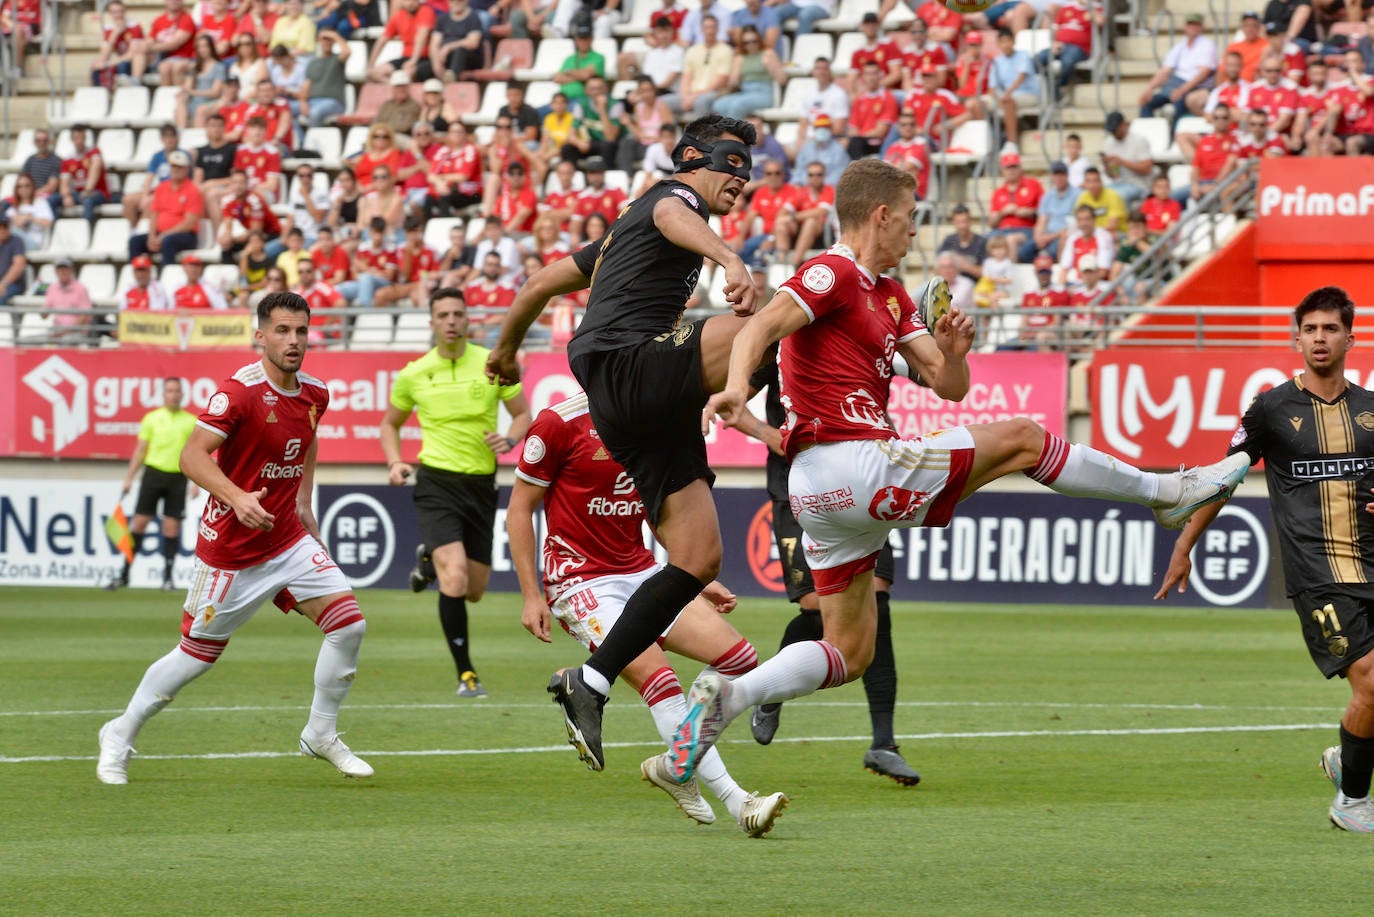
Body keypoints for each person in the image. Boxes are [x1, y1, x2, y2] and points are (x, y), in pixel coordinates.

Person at [662, 157, 1250, 785]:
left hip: (819, 493)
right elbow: (761, 328)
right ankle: (1167, 493)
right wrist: (731, 388)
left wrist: (955, 351)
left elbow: (948, 386)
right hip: (852, 462)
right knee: (1024, 437)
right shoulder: (831, 271)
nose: (916, 233)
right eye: (912, 220)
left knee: (849, 651)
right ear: (881, 217)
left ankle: (729, 698)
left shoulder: (890, 297)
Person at [484, 113, 759, 771]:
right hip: (623, 362)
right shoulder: (670, 200)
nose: (739, 184)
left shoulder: (614, 240)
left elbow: (537, 285)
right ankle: (788, 432)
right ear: (694, 157)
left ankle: (592, 680)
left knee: (699, 558)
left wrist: (504, 348)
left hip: (634, 400)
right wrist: (726, 255)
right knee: (767, 315)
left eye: (746, 179)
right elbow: (673, 209)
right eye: (731, 167)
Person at [96, 292, 372, 785]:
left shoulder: (316, 393)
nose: (293, 341)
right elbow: (192, 456)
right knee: (195, 656)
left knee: (348, 625)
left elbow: (306, 441)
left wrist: (304, 503)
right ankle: (120, 731)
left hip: (286, 537)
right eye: (282, 331)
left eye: (301, 331)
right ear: (260, 334)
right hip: (231, 551)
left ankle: (321, 732)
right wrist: (237, 497)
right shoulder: (238, 392)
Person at [506, 390, 789, 835]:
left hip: (643, 570)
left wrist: (692, 569)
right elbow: (520, 508)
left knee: (740, 660)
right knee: (662, 681)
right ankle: (739, 803)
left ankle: (675, 763)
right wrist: (530, 595)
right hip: (581, 580)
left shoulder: (654, 415)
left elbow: (658, 506)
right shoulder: (559, 423)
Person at [1154, 286, 1374, 833]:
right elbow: (1222, 480)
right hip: (1319, 577)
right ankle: (1351, 802)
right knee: (1372, 683)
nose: (1319, 338)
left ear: (1351, 337)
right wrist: (1185, 543)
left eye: (1330, 329)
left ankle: (1349, 758)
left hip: (1372, 566)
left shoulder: (1371, 412)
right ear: (1296, 337)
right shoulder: (1271, 409)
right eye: (1310, 329)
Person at [735, 296, 919, 784]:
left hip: (861, 485)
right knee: (817, 608)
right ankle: (772, 691)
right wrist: (770, 434)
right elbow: (733, 406)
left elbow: (922, 371)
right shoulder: (779, 343)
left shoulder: (861, 339)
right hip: (798, 491)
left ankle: (883, 743)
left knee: (876, 604)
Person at [381, 289, 532, 697]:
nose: (450, 320)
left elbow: (523, 415)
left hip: (481, 486)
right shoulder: (414, 372)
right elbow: (390, 424)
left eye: (457, 314)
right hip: (435, 483)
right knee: (456, 575)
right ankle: (466, 674)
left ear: (467, 320)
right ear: (431, 322)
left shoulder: (492, 363)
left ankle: (428, 559)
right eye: (443, 314)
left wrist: (511, 439)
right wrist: (396, 461)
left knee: (475, 590)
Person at [107, 377, 197, 591]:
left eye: (177, 391)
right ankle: (124, 573)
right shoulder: (152, 418)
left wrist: (196, 482)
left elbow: (195, 454)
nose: (173, 394)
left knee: (171, 526)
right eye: (169, 391)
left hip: (177, 476)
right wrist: (129, 478)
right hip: (153, 474)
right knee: (139, 523)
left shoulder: (190, 420)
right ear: (163, 394)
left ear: (182, 395)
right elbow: (140, 450)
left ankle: (167, 578)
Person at [1137, 12, 1216, 122]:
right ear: (1185, 26)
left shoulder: (1207, 45)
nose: (1192, 27)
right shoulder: (1179, 46)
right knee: (1147, 103)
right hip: (1174, 85)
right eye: (1190, 24)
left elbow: (1203, 74)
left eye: (1195, 24)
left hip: (1194, 87)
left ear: (1201, 27)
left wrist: (1182, 90)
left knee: (1179, 104)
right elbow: (1165, 71)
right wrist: (1149, 89)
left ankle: (1175, 135)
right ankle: (1149, 134)